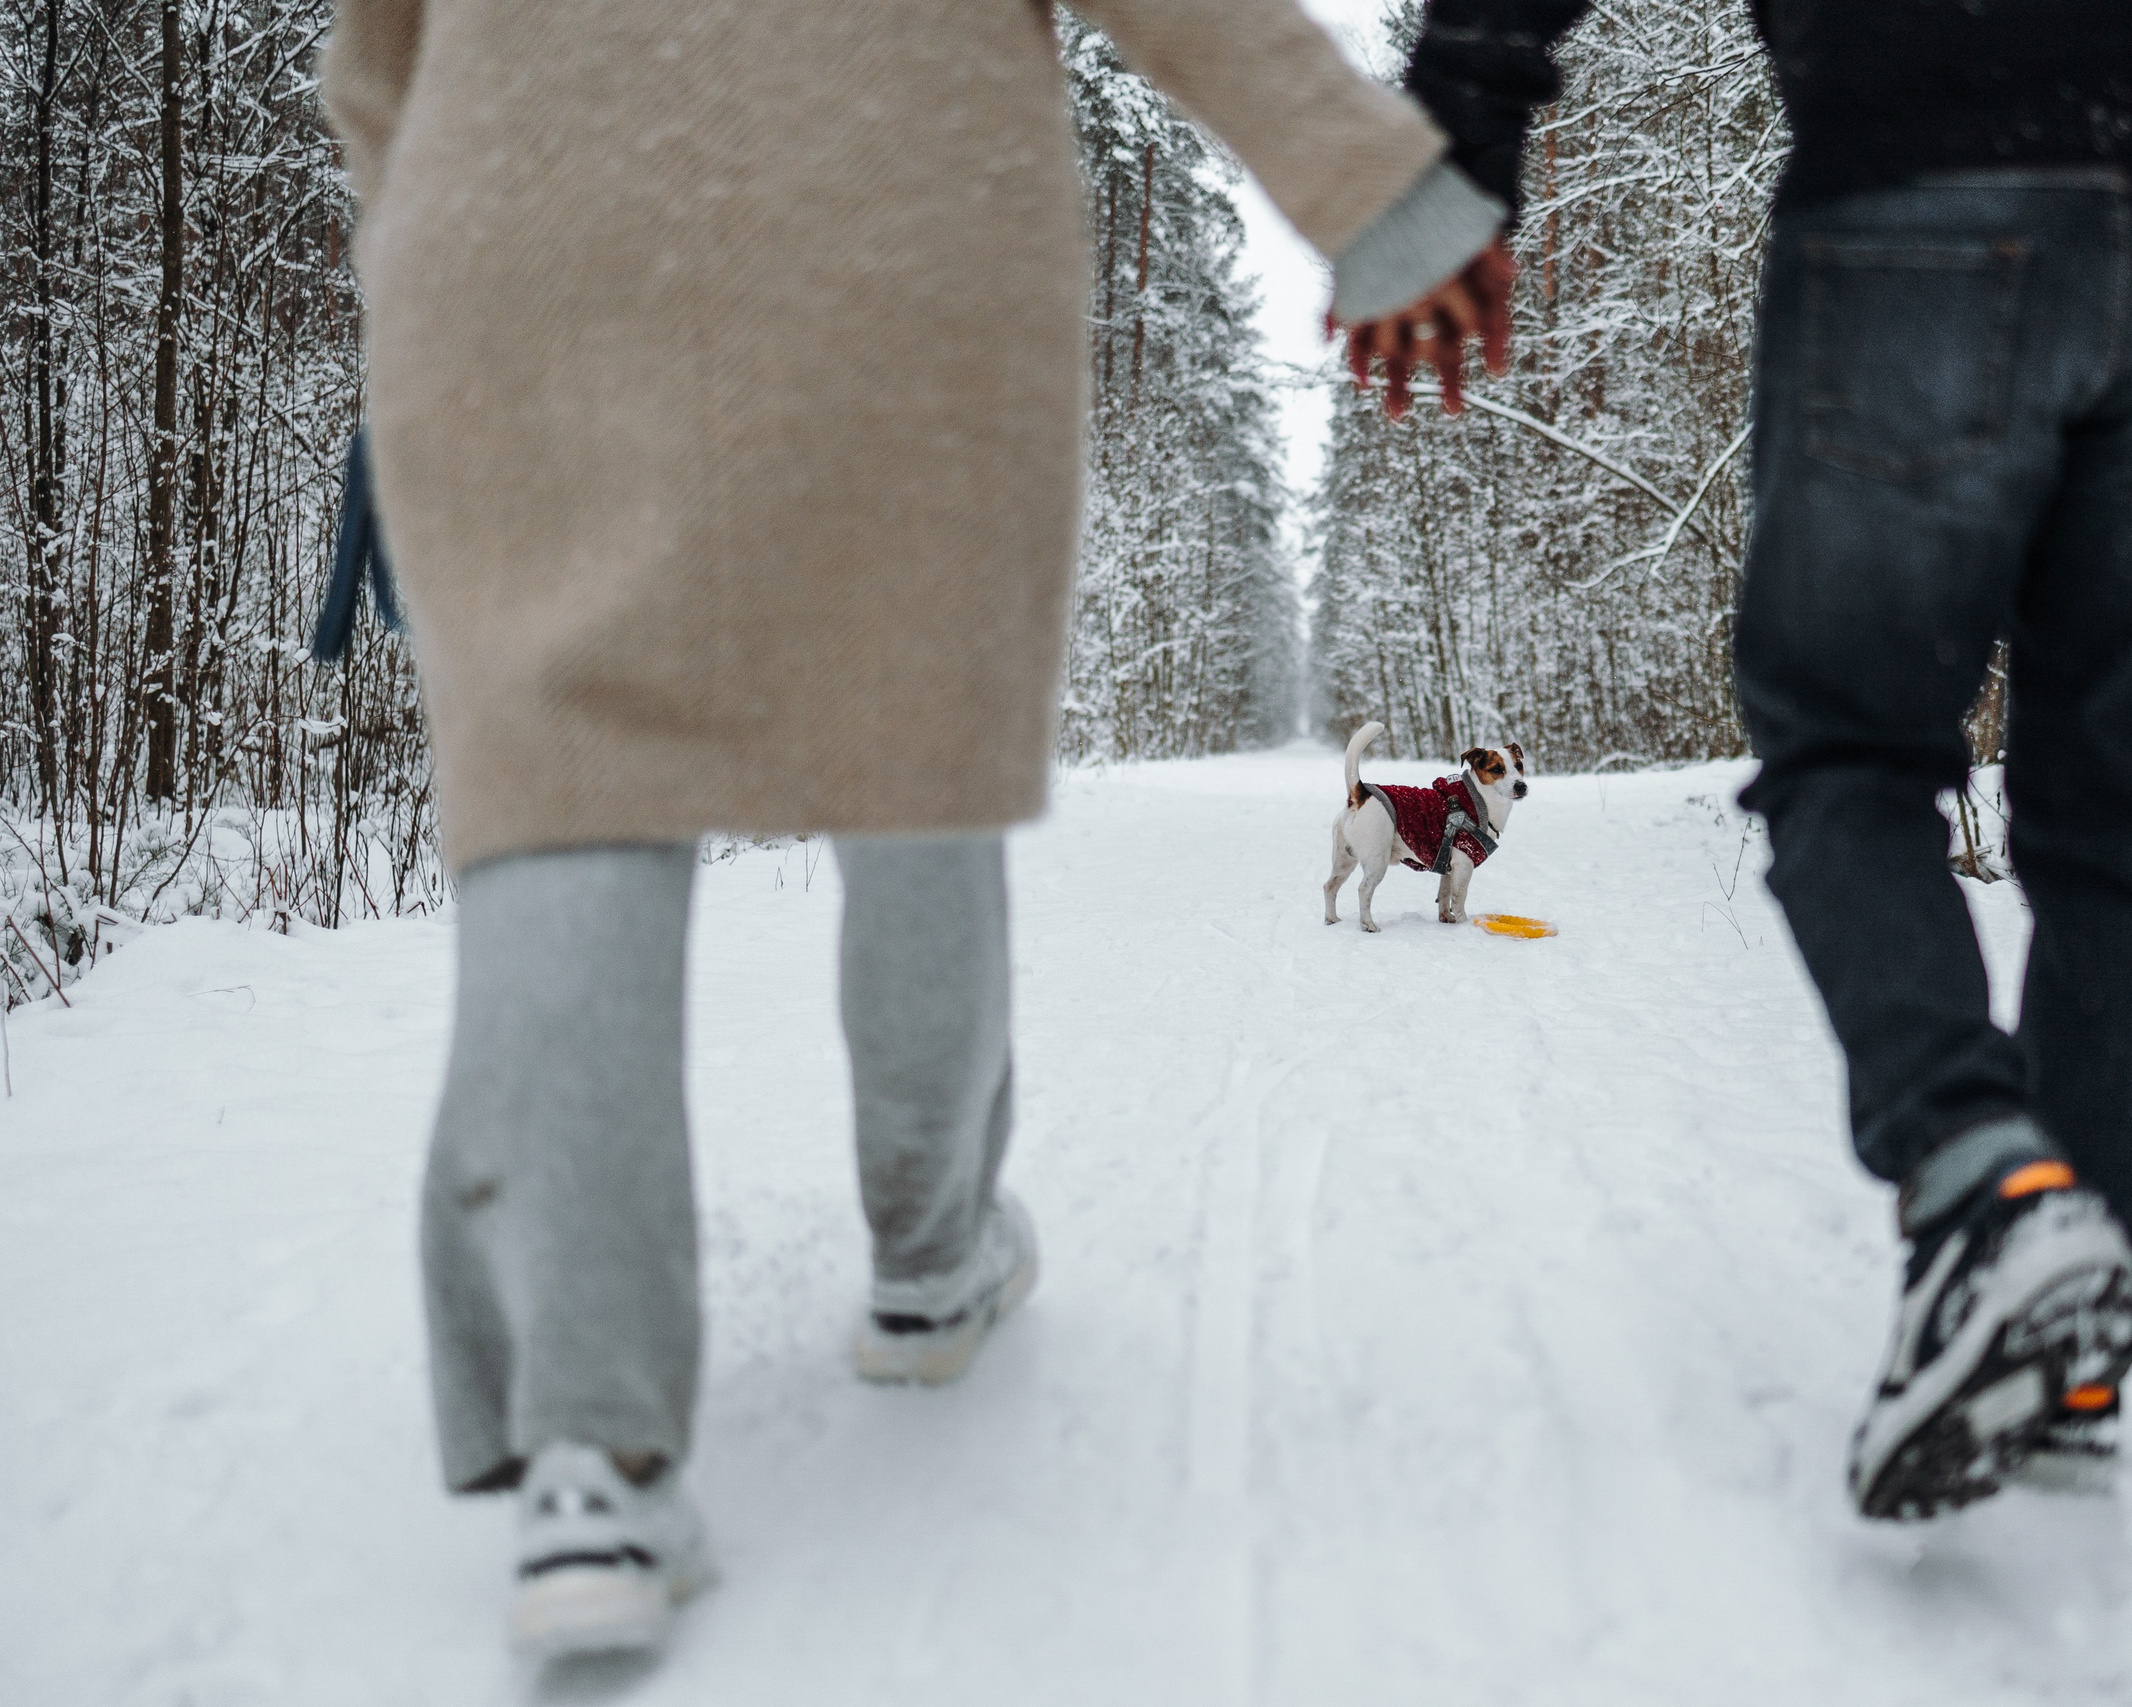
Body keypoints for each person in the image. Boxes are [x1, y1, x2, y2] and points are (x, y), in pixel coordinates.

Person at [321, 0, 1514, 1659]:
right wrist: (1385, 196)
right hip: (898, 213)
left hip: (513, 208)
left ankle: (587, 1455)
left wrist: (421, 240)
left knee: (563, 787)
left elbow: (375, 59)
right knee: (914, 745)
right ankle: (933, 1255)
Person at [1351, 0, 2132, 1519]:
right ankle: (2069, 1349)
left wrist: (1457, 150)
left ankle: (1986, 1196)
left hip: (1921, 161)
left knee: (1849, 749)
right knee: (2119, 812)